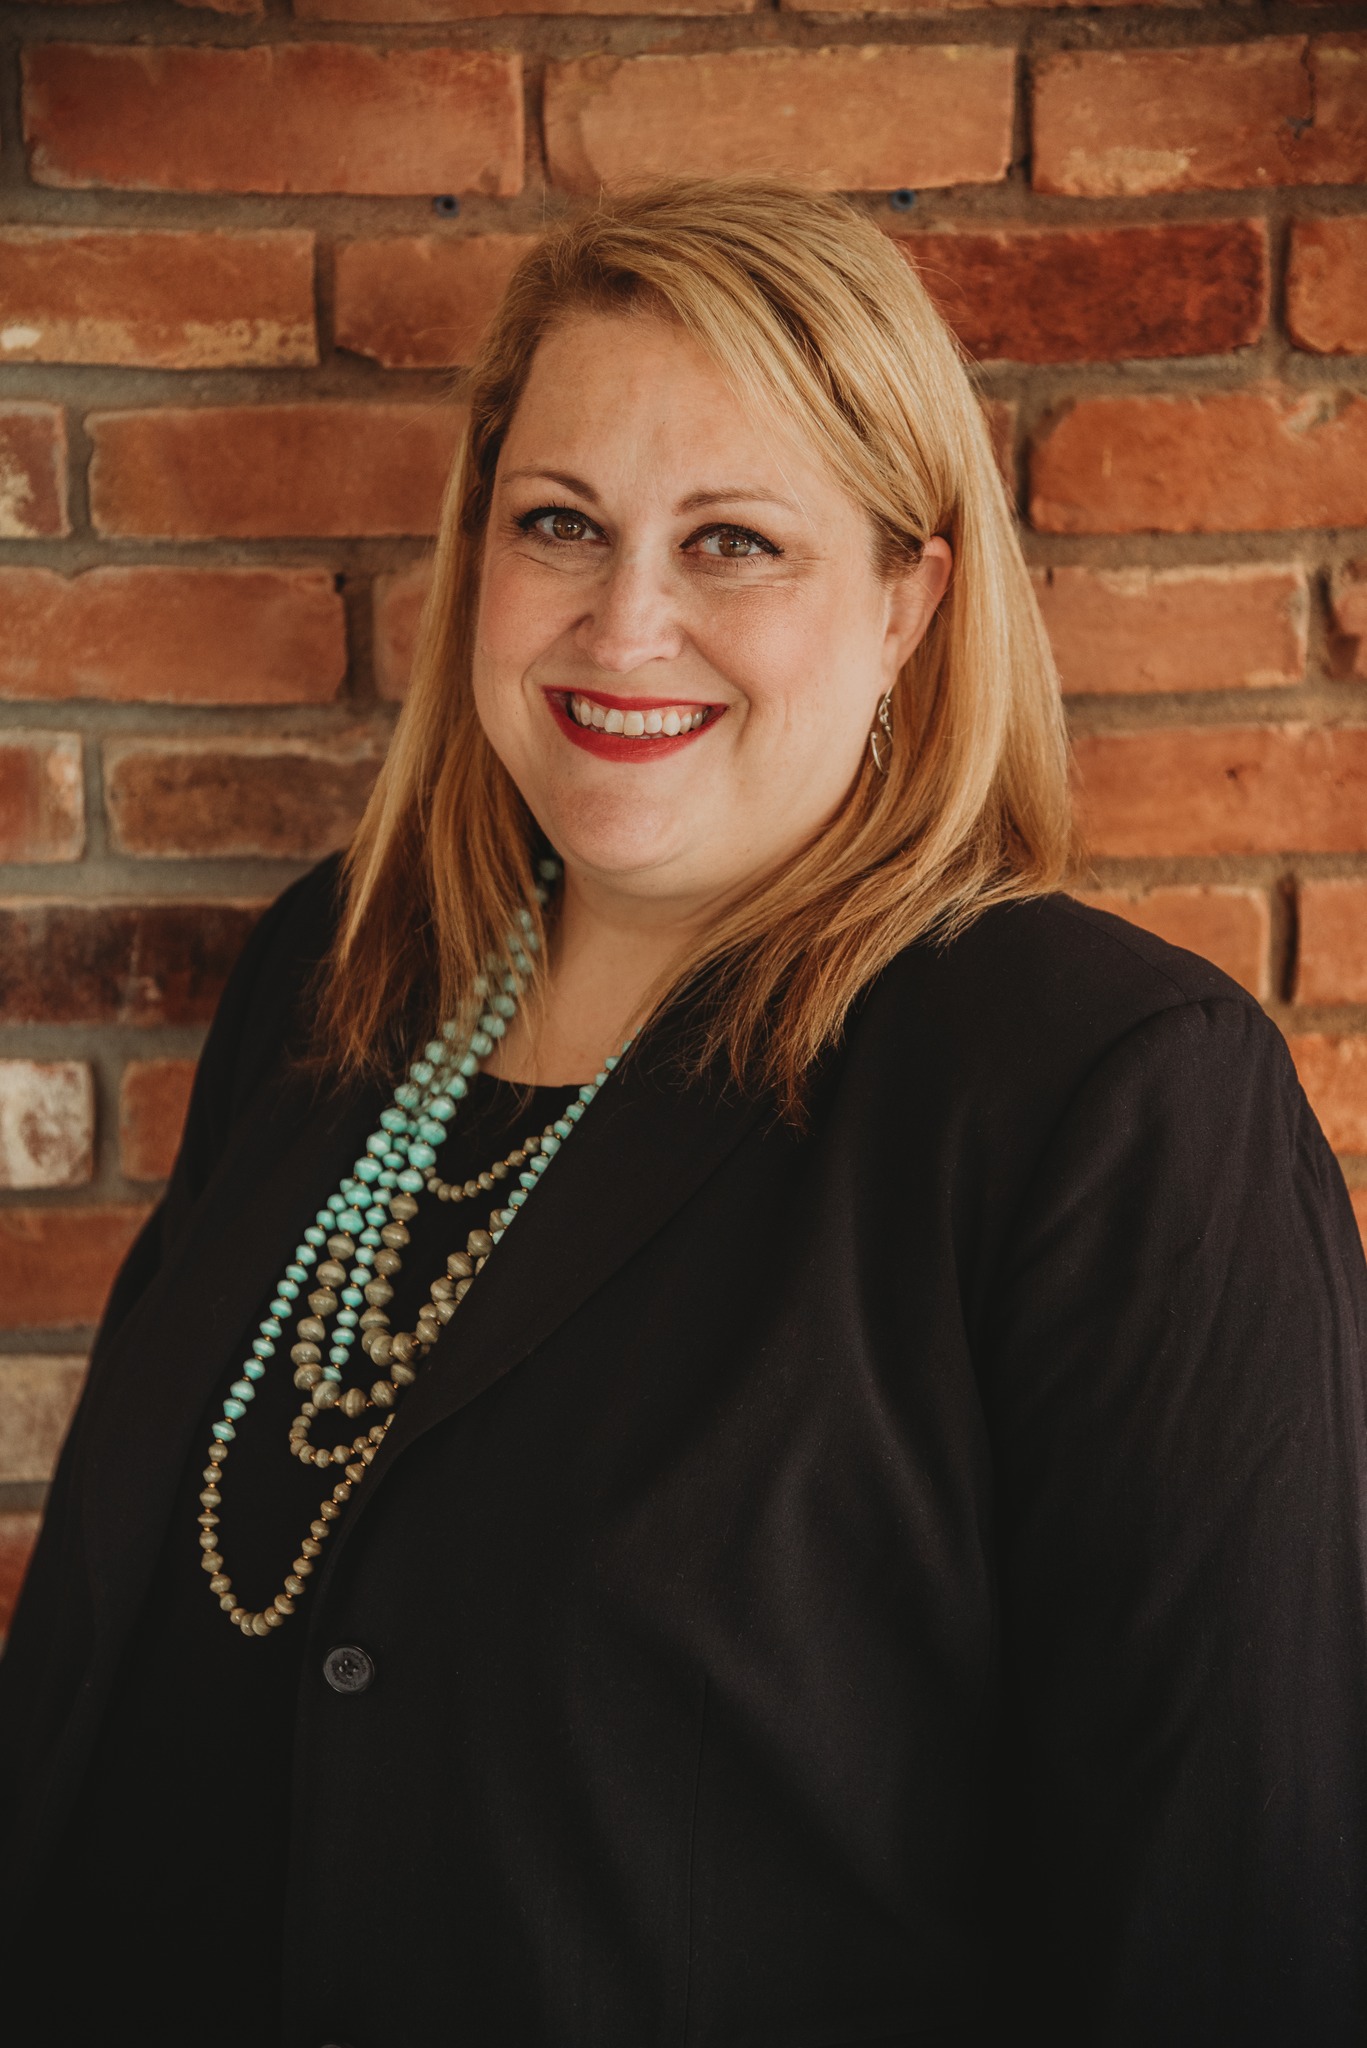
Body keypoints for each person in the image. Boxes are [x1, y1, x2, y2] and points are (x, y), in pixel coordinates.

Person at [2, 179, 1364, 2047]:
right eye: (562, 521)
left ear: (910, 602)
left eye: (734, 543)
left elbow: (1227, 1934)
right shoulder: (342, 975)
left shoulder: (1106, 1103)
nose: (623, 623)